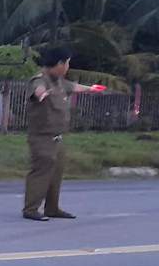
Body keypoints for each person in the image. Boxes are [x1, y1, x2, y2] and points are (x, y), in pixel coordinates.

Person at [23, 45, 106, 221]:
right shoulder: (40, 80)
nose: (68, 67)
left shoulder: (59, 82)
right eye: (67, 63)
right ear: (59, 63)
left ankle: (52, 208)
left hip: (57, 137)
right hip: (42, 138)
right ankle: (30, 209)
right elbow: (37, 90)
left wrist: (92, 88)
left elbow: (75, 87)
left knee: (56, 173)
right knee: (41, 171)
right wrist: (42, 94)